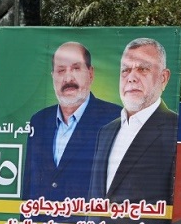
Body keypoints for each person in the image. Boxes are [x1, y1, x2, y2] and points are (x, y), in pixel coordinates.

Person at [22, 42, 120, 205]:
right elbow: (29, 187)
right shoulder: (39, 121)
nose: (68, 78)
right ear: (53, 76)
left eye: (76, 68)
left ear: (90, 73)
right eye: (61, 70)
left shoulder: (115, 119)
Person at [89, 38, 178, 207]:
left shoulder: (175, 129)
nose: (131, 78)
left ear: (164, 78)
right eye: (125, 70)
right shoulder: (106, 132)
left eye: (143, 69)